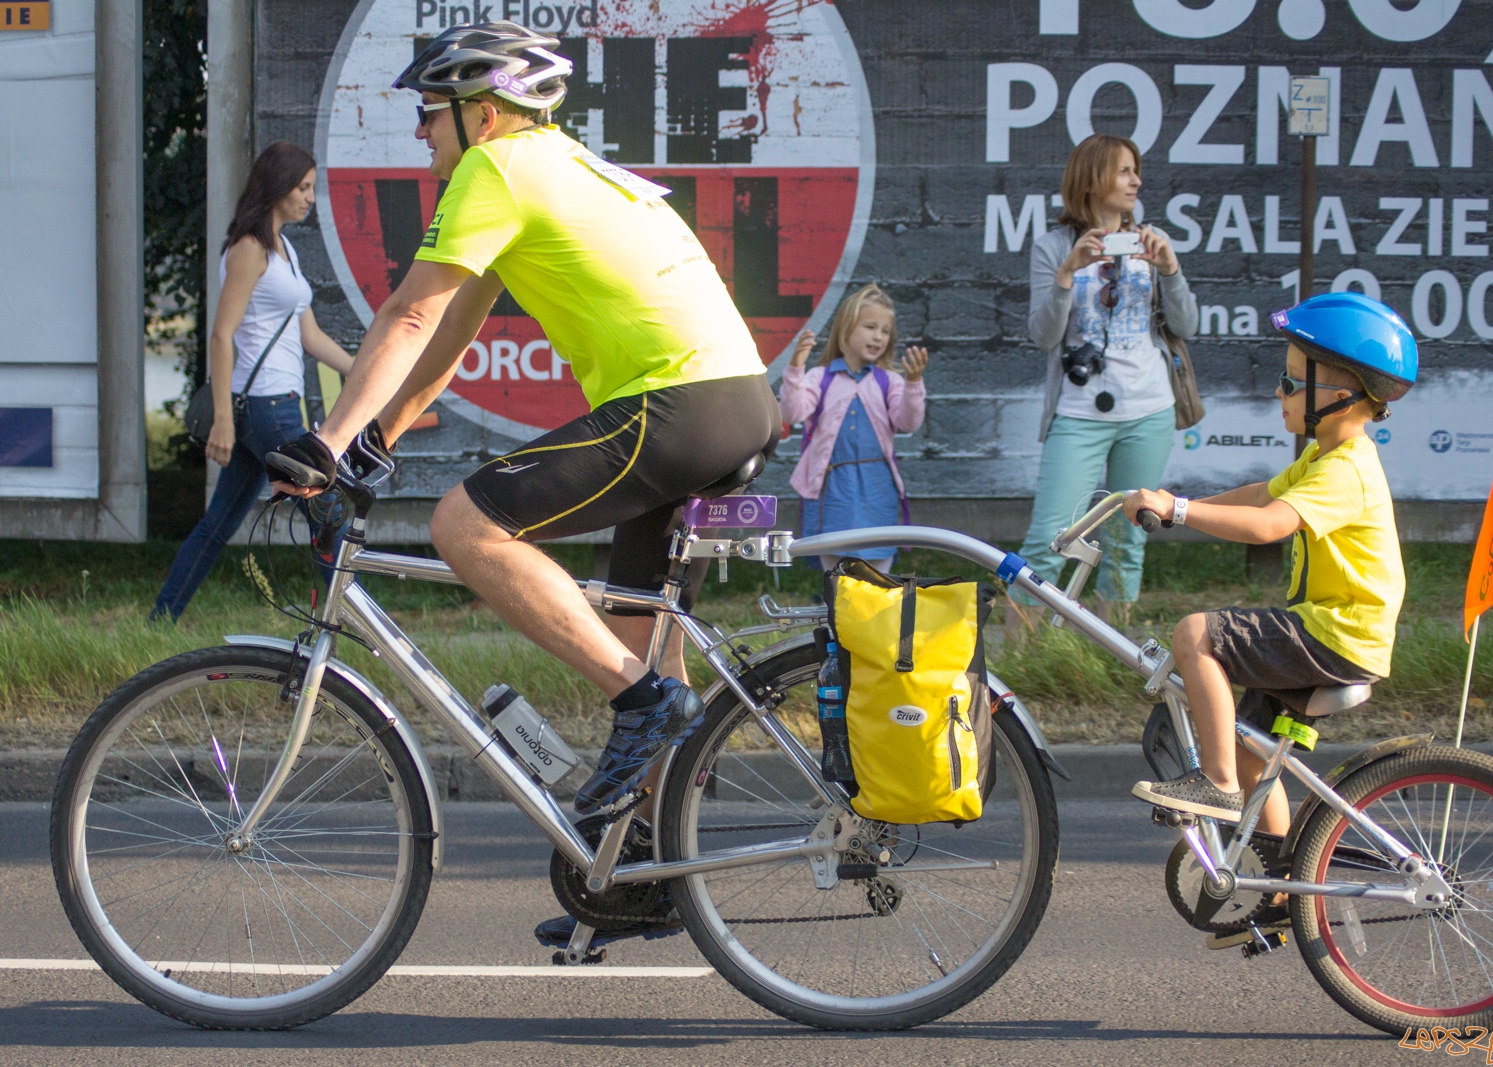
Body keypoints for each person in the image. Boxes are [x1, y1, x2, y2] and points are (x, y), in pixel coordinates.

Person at [263, 24, 779, 946]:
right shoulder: (557, 167)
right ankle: (649, 872)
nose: (422, 131)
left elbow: (408, 312)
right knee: (641, 637)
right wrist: (375, 439)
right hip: (729, 400)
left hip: (676, 401)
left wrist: (327, 441)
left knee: (466, 527)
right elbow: (448, 335)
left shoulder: (494, 170)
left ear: (485, 114)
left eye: (433, 112)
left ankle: (644, 706)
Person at [1125, 292, 1418, 842]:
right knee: (1250, 753)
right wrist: (1175, 503)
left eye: (1289, 382)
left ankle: (1216, 783)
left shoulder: (1346, 470)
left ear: (1340, 397)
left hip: (1336, 637)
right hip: (1331, 631)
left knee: (1195, 634)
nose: (1277, 392)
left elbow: (1268, 525)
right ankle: (1278, 881)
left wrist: (1180, 512)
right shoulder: (1322, 456)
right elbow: (1263, 495)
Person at [150, 142, 355, 623]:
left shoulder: (286, 250)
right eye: (303, 188)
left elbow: (310, 337)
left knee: (218, 524)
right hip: (265, 407)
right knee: (328, 512)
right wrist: (223, 419)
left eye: (311, 188)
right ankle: (347, 619)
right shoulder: (249, 248)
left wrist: (362, 372)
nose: (310, 198)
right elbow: (221, 335)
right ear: (278, 186)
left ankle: (161, 621)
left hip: (271, 406)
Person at [1012, 133, 1198, 630]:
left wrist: (1171, 270)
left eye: (1136, 171)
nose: (1136, 181)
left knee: (1126, 540)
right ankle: (1018, 661)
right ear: (1092, 180)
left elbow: (1186, 326)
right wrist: (1067, 273)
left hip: (1149, 409)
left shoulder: (1151, 240)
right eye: (1123, 171)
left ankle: (1110, 656)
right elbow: (1043, 335)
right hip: (1078, 412)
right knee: (1049, 538)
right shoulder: (1054, 246)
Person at [780, 284, 928, 572]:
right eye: (870, 327)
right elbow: (793, 412)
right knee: (836, 572)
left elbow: (909, 422)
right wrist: (795, 369)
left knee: (878, 569)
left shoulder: (889, 381)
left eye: (885, 331)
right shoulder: (820, 377)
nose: (879, 336)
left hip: (877, 488)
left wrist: (913, 383)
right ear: (846, 329)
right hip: (832, 490)